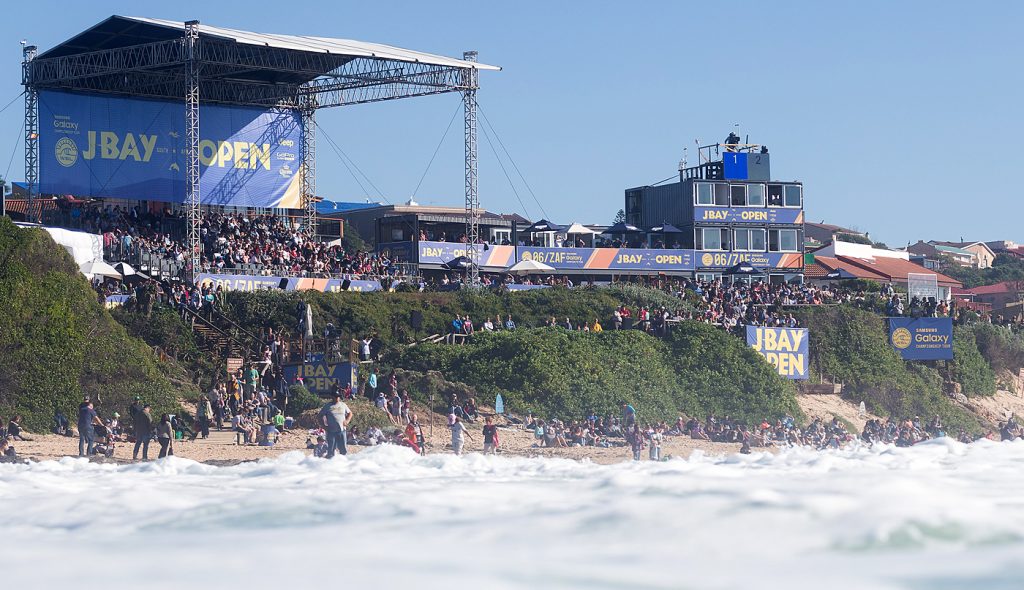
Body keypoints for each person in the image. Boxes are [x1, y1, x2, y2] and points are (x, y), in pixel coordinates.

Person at [318, 391, 352, 458]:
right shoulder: (328, 406)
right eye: (335, 397)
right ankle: (330, 464)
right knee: (331, 450)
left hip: (342, 431)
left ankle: (344, 463)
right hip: (331, 431)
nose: (337, 398)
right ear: (332, 397)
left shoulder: (343, 405)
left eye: (338, 397)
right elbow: (320, 416)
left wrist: (347, 421)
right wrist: (324, 426)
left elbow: (350, 413)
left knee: (343, 450)